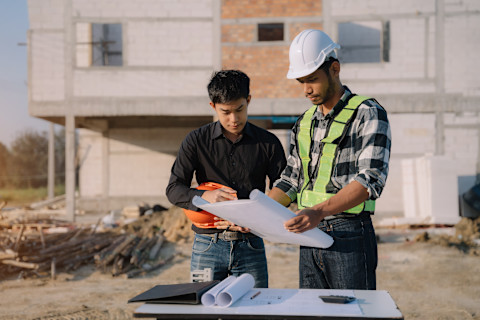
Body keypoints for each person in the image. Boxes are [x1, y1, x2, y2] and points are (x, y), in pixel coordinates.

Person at [269, 29, 391, 290]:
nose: (306, 89)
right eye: (301, 81)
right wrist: (257, 212)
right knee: (313, 313)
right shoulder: (303, 123)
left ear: (334, 69)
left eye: (312, 79)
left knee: (353, 312)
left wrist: (318, 212)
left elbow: (370, 181)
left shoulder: (367, 113)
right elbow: (291, 179)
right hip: (309, 235)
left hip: (350, 234)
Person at [166, 70, 287, 288]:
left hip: (251, 244)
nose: (234, 119)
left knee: (255, 309)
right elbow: (174, 189)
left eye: (239, 109)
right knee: (204, 309)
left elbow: (284, 189)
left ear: (248, 100)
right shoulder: (195, 141)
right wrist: (206, 196)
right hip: (207, 245)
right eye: (225, 112)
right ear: (213, 106)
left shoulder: (268, 143)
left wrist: (258, 219)